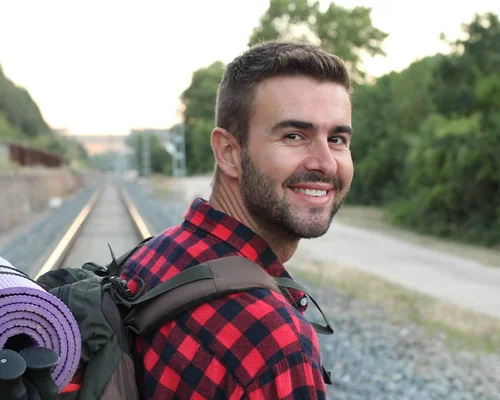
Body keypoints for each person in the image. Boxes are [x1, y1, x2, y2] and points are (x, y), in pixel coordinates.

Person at [120, 40, 354, 399]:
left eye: (337, 138)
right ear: (228, 152)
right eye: (294, 136)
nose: (325, 162)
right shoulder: (274, 343)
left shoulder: (153, 254)